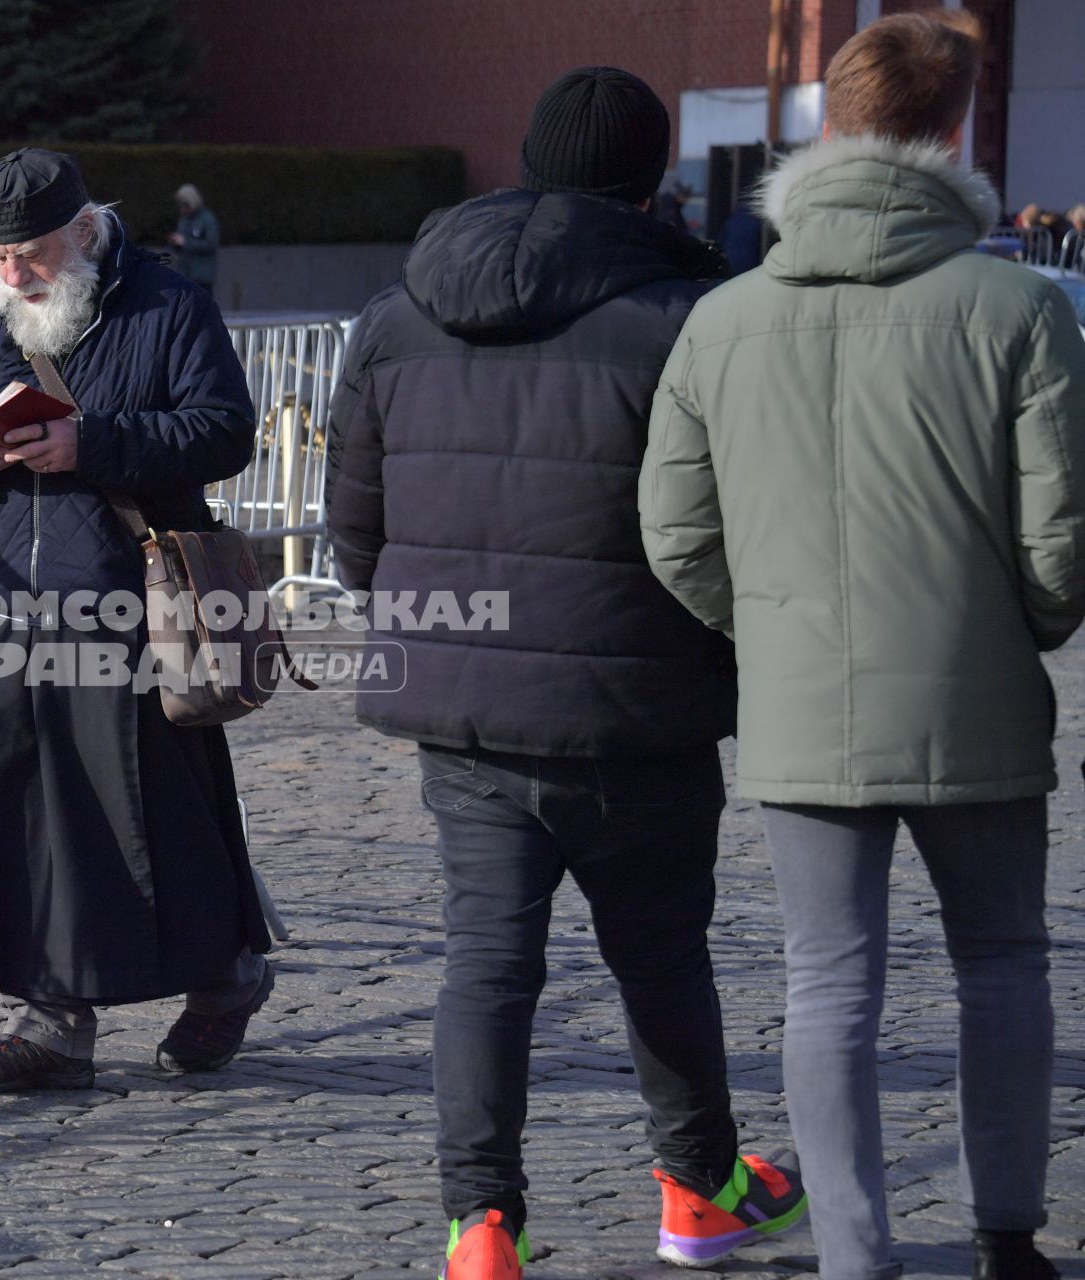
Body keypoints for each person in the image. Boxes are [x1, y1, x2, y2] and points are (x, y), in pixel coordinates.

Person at [327, 67, 805, 1280]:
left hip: (465, 707)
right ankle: (701, 1187)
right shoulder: (695, 312)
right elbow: (734, 527)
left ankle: (480, 1223)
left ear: (529, 163)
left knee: (485, 961)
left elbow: (357, 533)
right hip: (639, 695)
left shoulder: (397, 310)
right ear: (652, 180)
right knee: (661, 952)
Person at [639, 12, 1085, 1280]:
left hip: (799, 696)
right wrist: (1025, 625)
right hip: (977, 687)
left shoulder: (723, 318)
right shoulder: (1017, 306)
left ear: (831, 125)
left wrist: (770, 629)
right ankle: (1009, 1233)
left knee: (827, 981)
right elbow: (1063, 529)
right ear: (953, 134)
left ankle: (850, 1251)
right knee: (1002, 961)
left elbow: (673, 528)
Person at [0, 148, 273, 1093]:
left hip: (129, 606)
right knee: (13, 814)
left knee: (154, 820)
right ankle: (54, 1025)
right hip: (9, 600)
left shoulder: (167, 306)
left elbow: (225, 430)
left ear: (83, 232)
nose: (11, 277)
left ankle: (225, 980)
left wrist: (92, 443)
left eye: (28, 255)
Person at [166, 183, 220, 295]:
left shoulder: (207, 220)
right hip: (184, 274)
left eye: (185, 205)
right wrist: (175, 243)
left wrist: (186, 242)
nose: (182, 209)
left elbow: (211, 244)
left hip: (201, 276)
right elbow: (180, 244)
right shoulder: (184, 220)